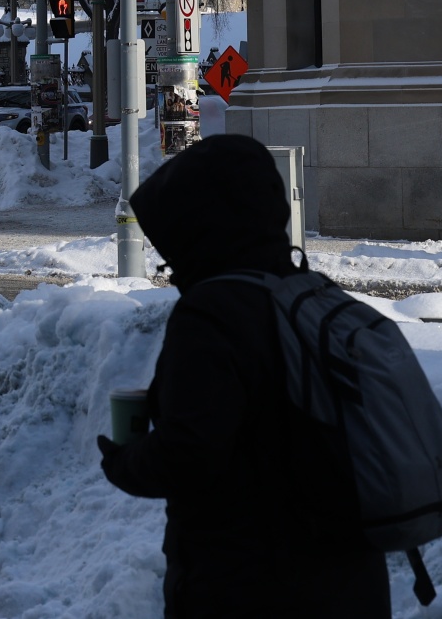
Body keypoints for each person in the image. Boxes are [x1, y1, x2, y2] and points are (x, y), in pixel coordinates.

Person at [98, 134, 391, 618]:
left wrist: (125, 462)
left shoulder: (213, 316)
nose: (170, 269)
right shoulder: (315, 297)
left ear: (201, 232)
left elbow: (190, 455)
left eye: (174, 248)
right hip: (349, 581)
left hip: (249, 582)